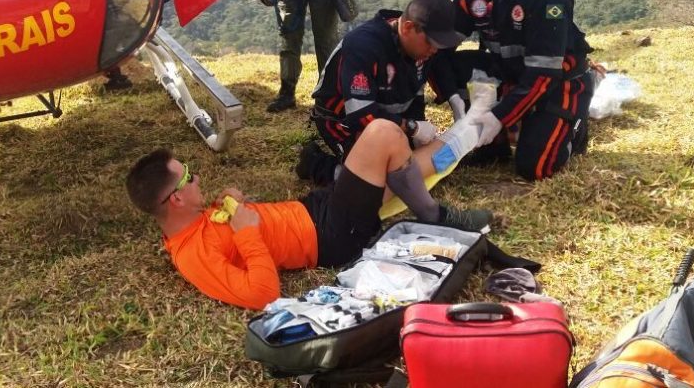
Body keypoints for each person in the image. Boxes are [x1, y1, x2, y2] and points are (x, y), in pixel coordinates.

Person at [125, 118, 493, 310]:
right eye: (188, 176)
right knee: (383, 134)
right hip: (330, 236)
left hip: (313, 210)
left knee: (394, 164)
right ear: (175, 199)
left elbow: (232, 226)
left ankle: (466, 132)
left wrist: (234, 202)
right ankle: (436, 215)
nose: (197, 178)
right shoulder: (194, 255)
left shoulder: (190, 218)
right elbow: (262, 294)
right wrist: (247, 232)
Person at [446, 0, 593, 181]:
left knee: (536, 167)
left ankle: (574, 129)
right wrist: (452, 96)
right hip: (509, 72)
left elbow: (543, 74)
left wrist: (499, 116)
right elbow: (441, 48)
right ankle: (494, 145)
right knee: (449, 63)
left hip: (557, 80)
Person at [305, 0, 467, 184]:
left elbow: (415, 91)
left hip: (390, 118)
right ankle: (316, 164)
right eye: (431, 42)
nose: (434, 50)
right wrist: (413, 128)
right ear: (407, 28)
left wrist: (447, 103)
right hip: (345, 119)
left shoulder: (421, 49)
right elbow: (361, 115)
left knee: (418, 168)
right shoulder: (364, 45)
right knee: (373, 181)